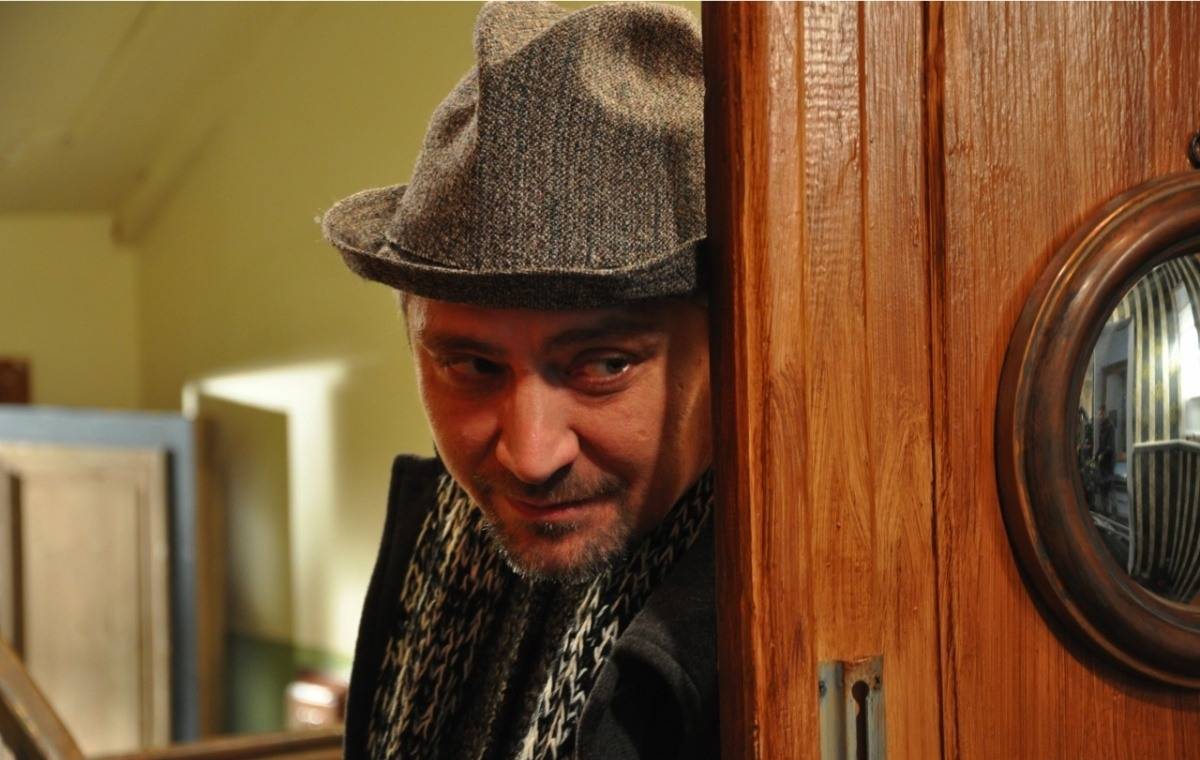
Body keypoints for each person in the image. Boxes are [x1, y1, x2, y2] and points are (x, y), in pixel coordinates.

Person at [320, 3, 716, 758]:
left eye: (603, 365)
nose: (531, 457)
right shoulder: (436, 560)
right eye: (473, 367)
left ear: (718, 347)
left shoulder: (771, 642)